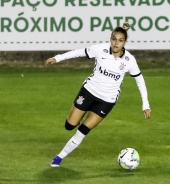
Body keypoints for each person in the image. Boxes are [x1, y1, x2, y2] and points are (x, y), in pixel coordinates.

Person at [45, 23, 151, 167]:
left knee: (83, 130)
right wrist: (58, 58)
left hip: (107, 100)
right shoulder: (100, 49)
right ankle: (79, 116)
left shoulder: (129, 60)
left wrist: (145, 104)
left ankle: (59, 157)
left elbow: (140, 80)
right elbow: (79, 52)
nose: (116, 43)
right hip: (89, 91)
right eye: (114, 39)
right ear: (110, 39)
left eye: (120, 40)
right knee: (70, 126)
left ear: (125, 42)